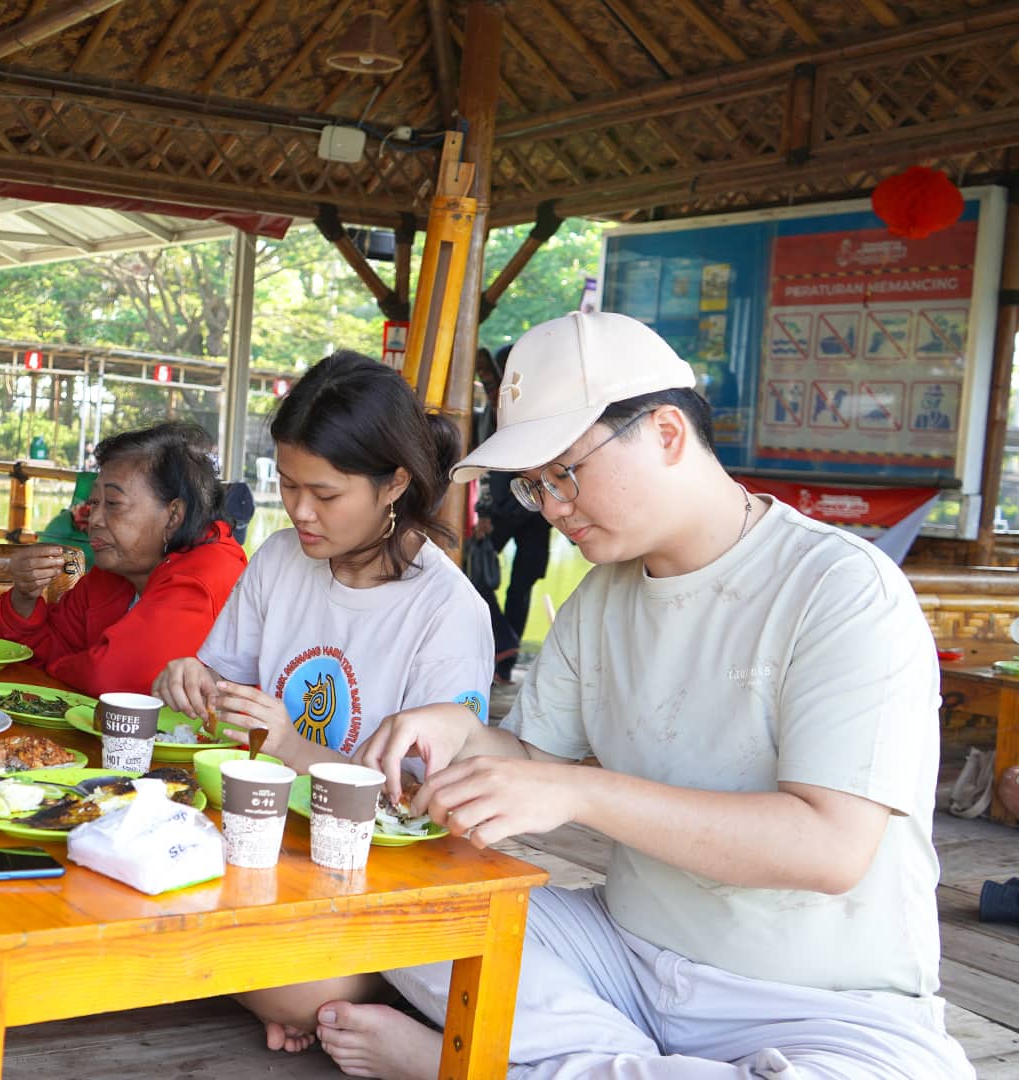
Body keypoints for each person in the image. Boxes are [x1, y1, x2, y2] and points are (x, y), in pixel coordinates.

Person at [304, 311, 969, 1078]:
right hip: (621, 954)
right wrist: (452, 729)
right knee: (397, 898)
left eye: (564, 474)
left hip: (824, 1004)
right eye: (534, 484)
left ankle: (474, 1064)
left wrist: (578, 791)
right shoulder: (603, 595)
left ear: (666, 433)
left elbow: (829, 848)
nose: (550, 506)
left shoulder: (841, 589)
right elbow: (531, 757)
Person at [154, 351, 491, 774]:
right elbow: (222, 690)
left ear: (395, 484)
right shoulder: (279, 558)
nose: (301, 511)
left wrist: (292, 747)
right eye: (288, 484)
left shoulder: (449, 611)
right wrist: (194, 680)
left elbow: (418, 798)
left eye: (325, 494)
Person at [0, 422, 246, 698]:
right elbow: (19, 658)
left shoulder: (207, 572)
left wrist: (64, 665)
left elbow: (109, 679)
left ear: (173, 516)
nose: (93, 520)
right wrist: (24, 597)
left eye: (112, 503)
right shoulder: (117, 571)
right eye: (94, 503)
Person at [474, 344, 555, 682]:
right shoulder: (488, 415)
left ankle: (505, 663)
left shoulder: (542, 410)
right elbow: (482, 464)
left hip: (536, 509)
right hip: (502, 509)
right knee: (472, 571)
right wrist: (482, 511)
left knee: (521, 586)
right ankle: (501, 643)